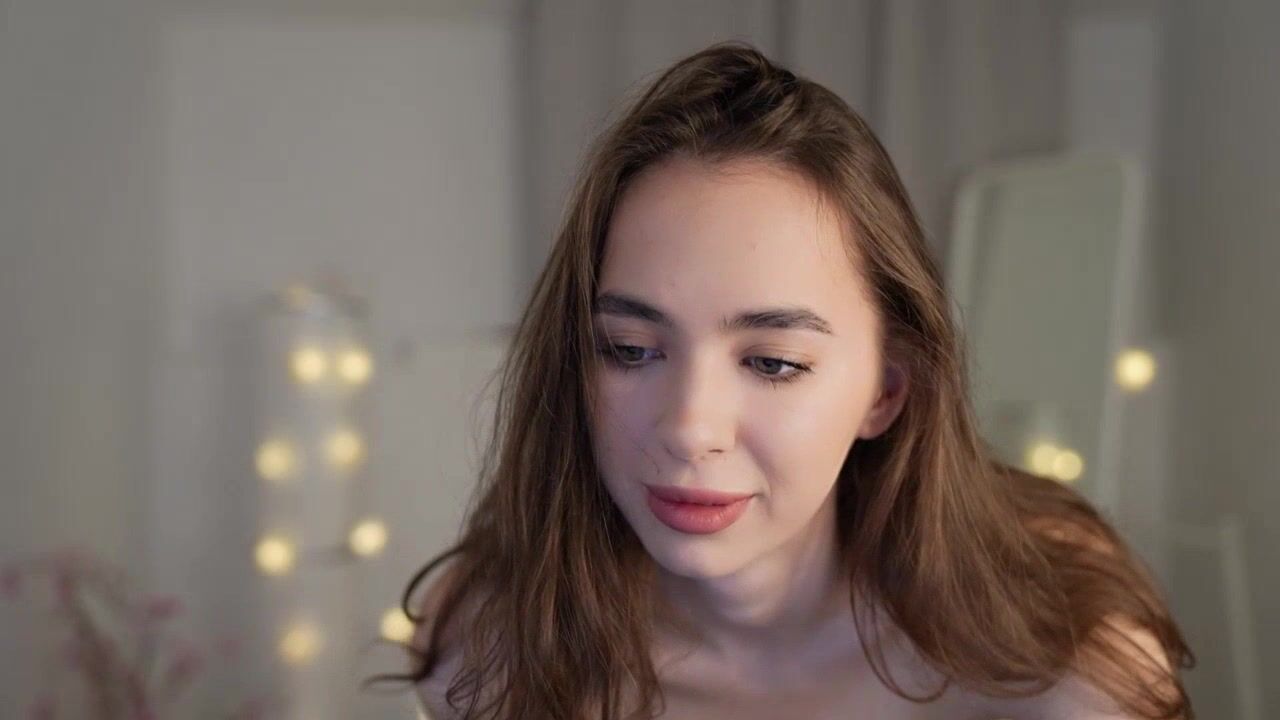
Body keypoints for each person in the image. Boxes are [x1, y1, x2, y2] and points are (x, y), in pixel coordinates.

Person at [394, 41, 1193, 719]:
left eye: (772, 362)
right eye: (630, 349)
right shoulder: (486, 649)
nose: (690, 428)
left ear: (886, 391)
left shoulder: (1066, 664)